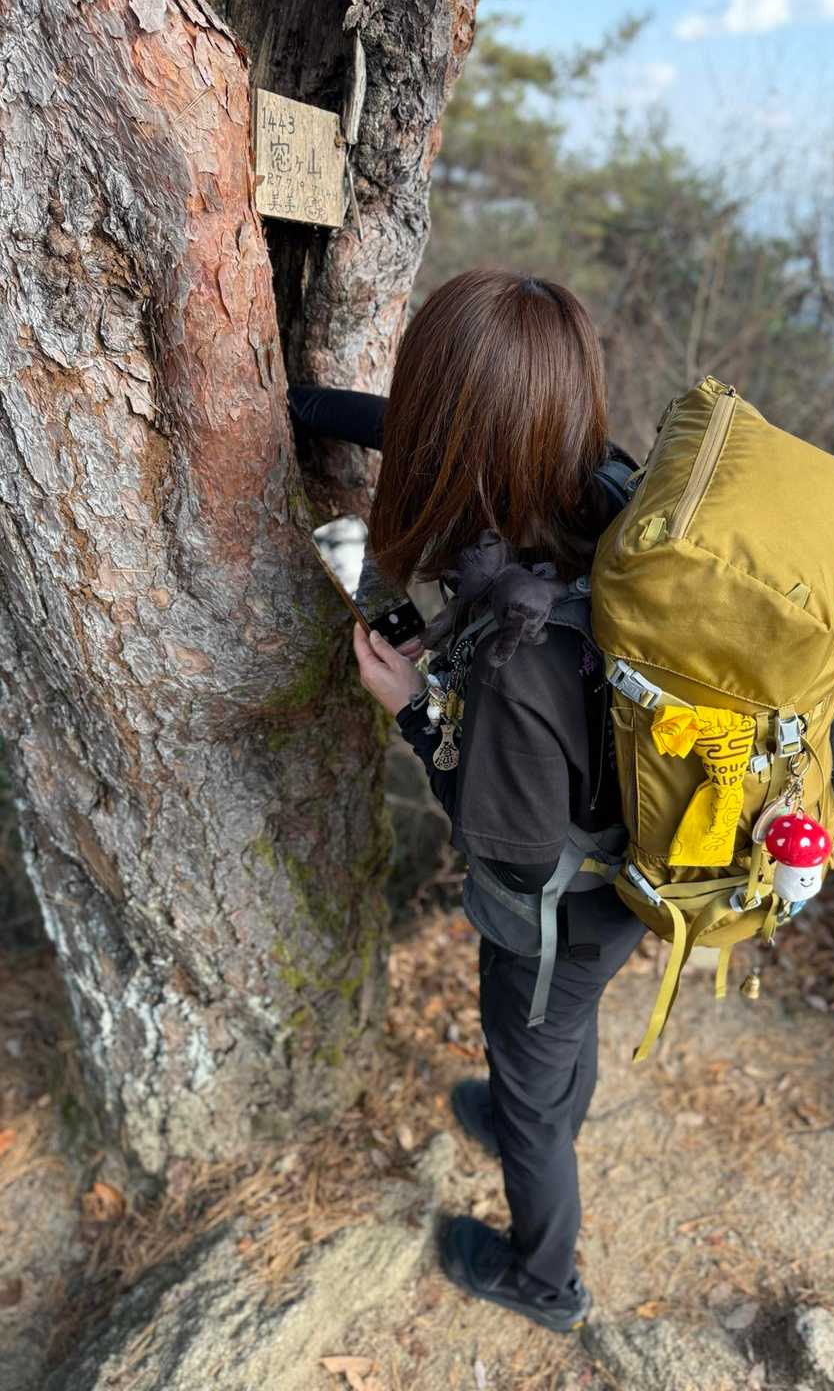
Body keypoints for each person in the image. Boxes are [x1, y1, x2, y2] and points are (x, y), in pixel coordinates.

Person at [288, 268, 645, 1334]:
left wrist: (413, 706)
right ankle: (543, 1103)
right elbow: (428, 435)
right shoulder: (600, 486)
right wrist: (303, 406)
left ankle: (545, 1280)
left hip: (557, 914)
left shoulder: (521, 658)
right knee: (560, 1033)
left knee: (531, 1080)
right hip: (617, 884)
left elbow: (514, 850)